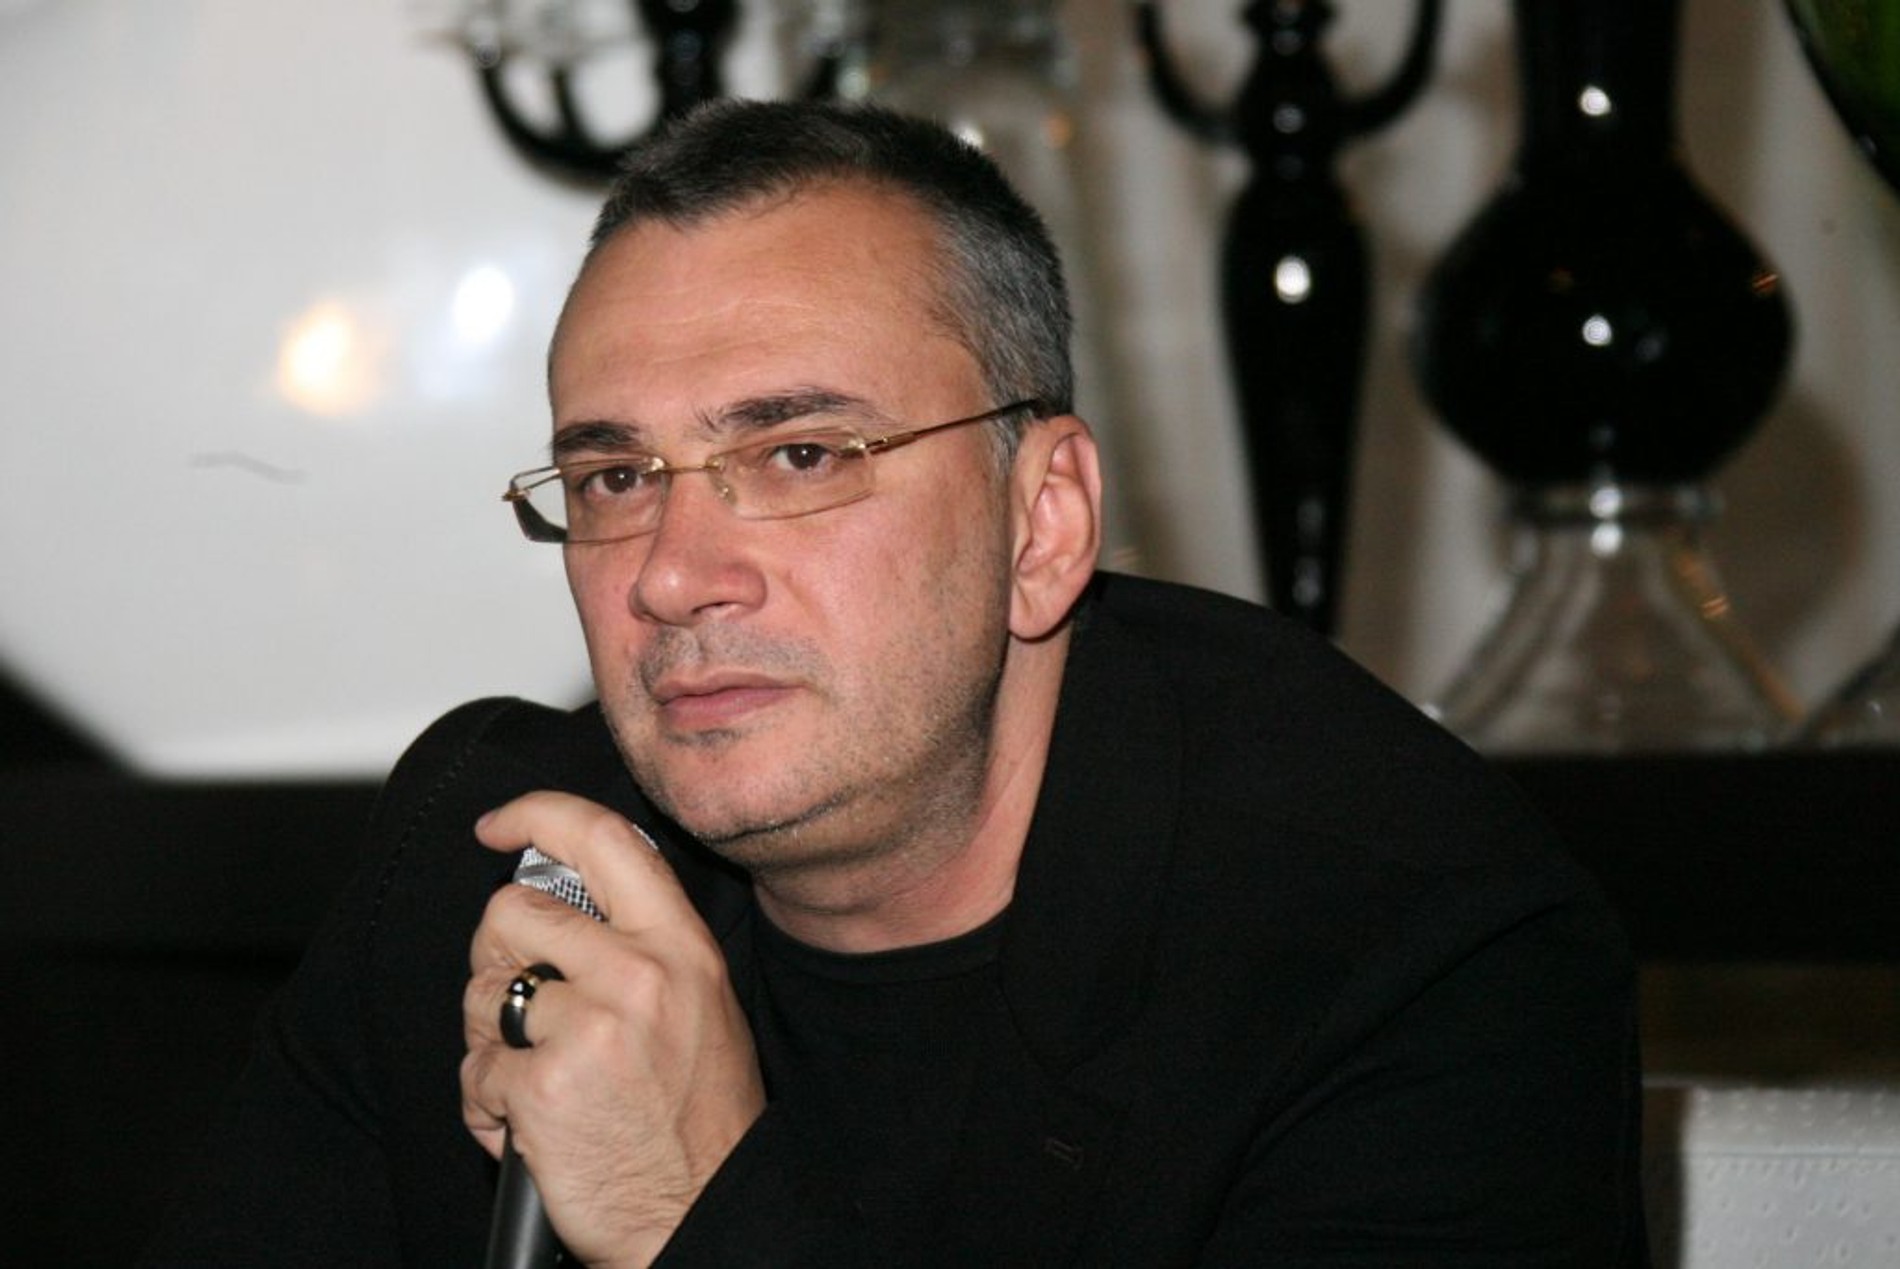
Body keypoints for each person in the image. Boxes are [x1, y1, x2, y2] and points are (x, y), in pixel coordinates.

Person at [145, 99, 1648, 1266]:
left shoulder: (1410, 954)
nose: (671, 575)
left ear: (1041, 525)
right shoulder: (496, 871)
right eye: (613, 477)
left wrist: (694, 1215)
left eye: (799, 455)